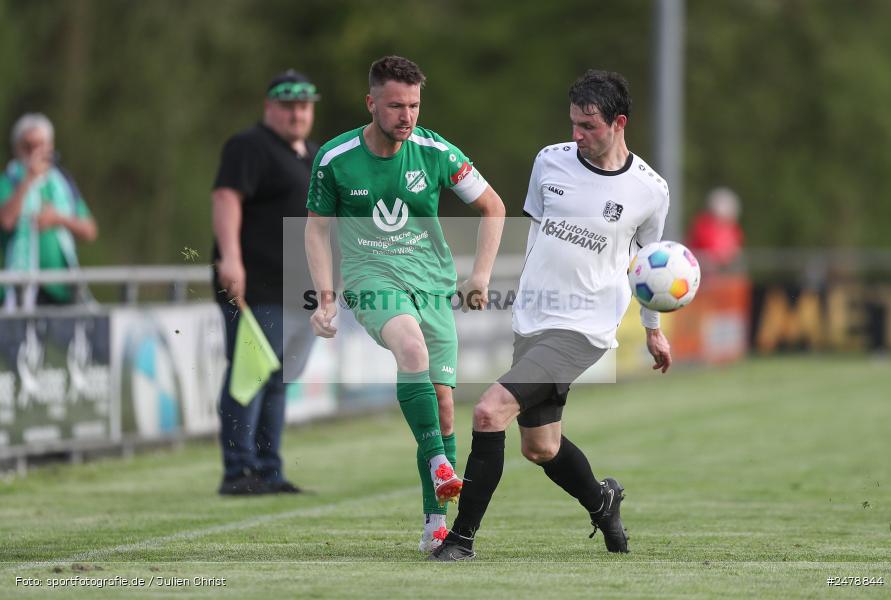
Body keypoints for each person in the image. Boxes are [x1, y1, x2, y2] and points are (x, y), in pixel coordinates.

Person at [431, 70, 672, 561]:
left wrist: (653, 330)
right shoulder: (549, 162)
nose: (577, 136)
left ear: (618, 122)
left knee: (488, 411)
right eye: (573, 124)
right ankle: (603, 501)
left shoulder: (650, 190)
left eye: (588, 126)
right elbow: (538, 235)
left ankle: (462, 539)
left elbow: (649, 269)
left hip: (585, 327)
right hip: (534, 321)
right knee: (540, 447)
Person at [305, 56, 505, 551]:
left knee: (443, 406)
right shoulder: (336, 158)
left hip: (432, 284)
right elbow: (316, 226)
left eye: (414, 105)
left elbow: (493, 207)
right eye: (396, 105)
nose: (407, 116)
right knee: (411, 353)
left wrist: (479, 275)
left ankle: (434, 522)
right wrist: (326, 296)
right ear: (371, 103)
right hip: (372, 279)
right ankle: (440, 462)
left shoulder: (435, 151)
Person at [212, 70, 320, 495]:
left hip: (300, 290)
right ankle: (238, 470)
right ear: (270, 107)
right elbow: (226, 198)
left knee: (279, 380)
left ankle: (268, 468)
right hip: (257, 285)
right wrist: (230, 258)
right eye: (289, 105)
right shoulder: (249, 146)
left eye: (304, 105)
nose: (297, 113)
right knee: (250, 375)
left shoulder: (311, 154)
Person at [0, 113, 97, 309]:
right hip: (21, 288)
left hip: (63, 287)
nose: (35, 152)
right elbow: (6, 220)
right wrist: (28, 179)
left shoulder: (62, 183)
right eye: (29, 146)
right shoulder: (9, 181)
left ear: (50, 147)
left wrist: (58, 219)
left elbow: (90, 230)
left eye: (40, 145)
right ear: (18, 149)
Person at [686, 186, 744, 269]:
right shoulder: (703, 226)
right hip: (706, 274)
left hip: (725, 273)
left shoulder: (734, 229)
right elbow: (714, 253)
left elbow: (735, 252)